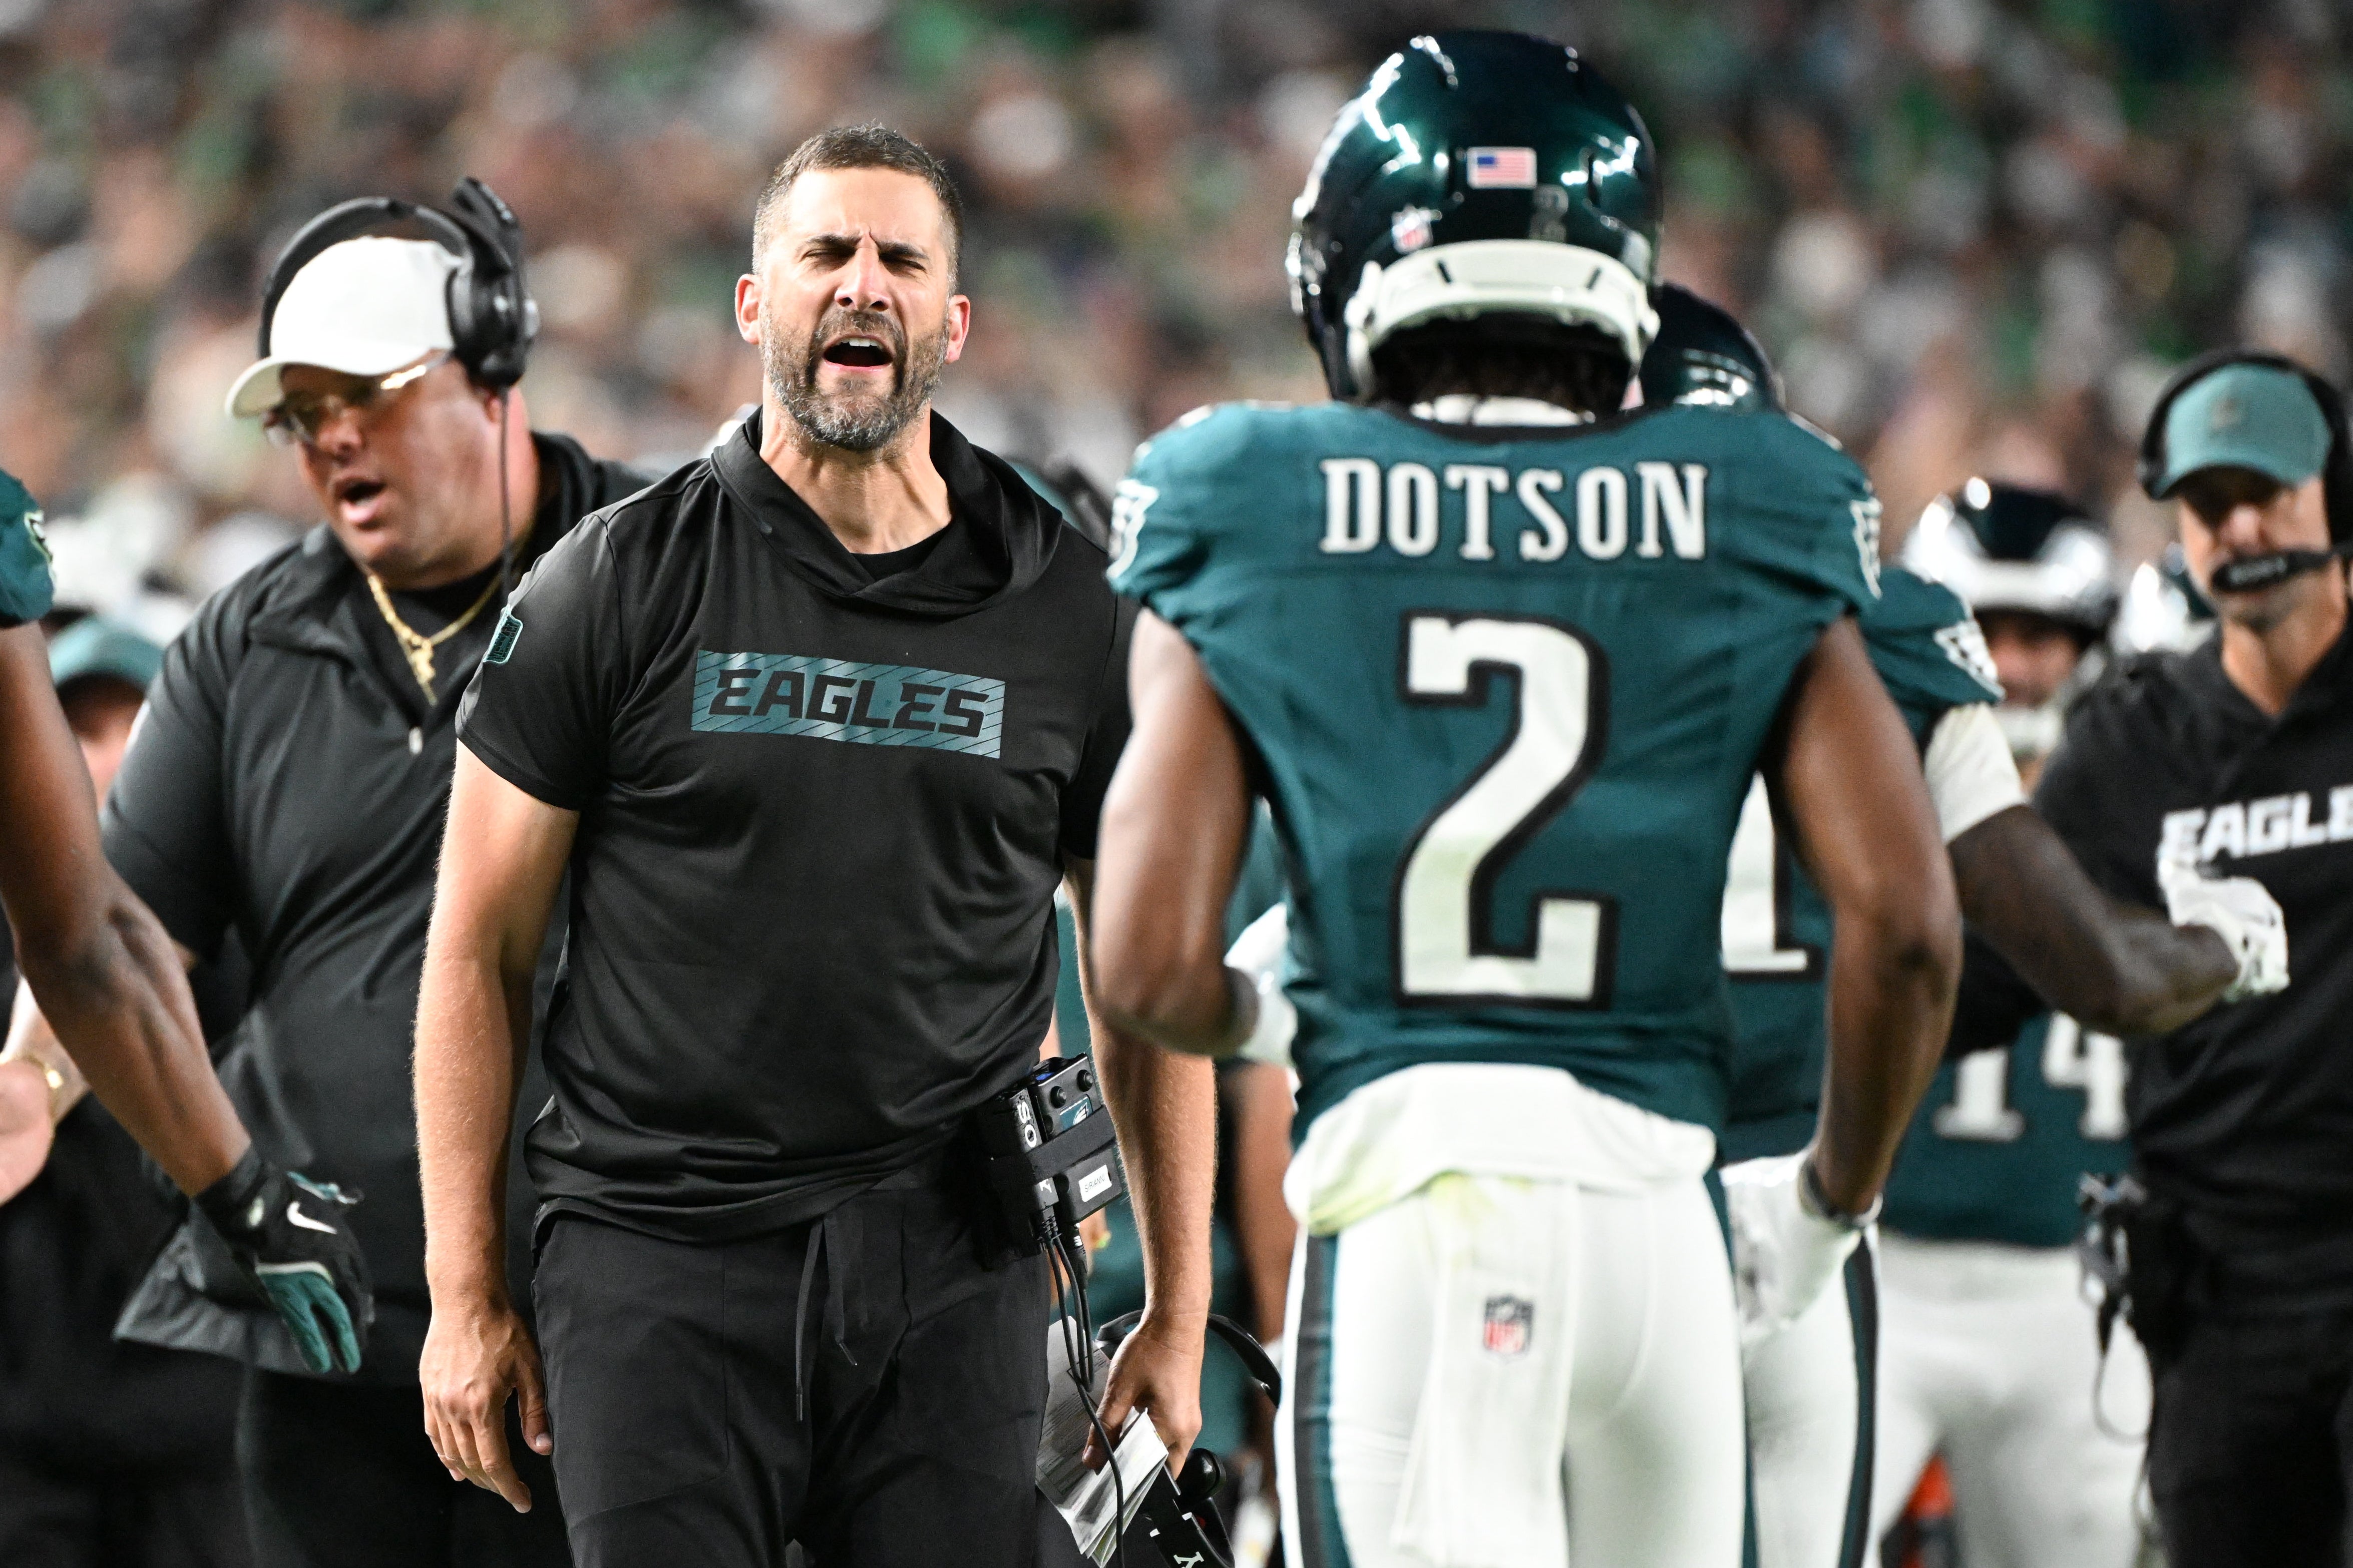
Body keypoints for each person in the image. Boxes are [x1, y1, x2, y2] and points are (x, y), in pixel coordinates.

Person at [1085, 35, 1964, 1568]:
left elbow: (1144, 963)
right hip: (1662, 1228)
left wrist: (1288, 998)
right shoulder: (1749, 494)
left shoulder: (1247, 494)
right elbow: (1905, 928)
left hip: (1415, 1213)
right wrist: (1829, 1200)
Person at [413, 125, 1209, 1568]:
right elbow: (476, 947)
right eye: (825, 251)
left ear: (951, 322)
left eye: (901, 259)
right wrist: (463, 1291)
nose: (863, 284)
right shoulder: (611, 581)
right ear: (753, 302)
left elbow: (1146, 978)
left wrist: (1179, 1305)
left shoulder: (1071, 608)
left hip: (955, 1263)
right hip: (654, 1252)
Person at [10, 178, 648, 1568]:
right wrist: (28, 1083)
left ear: (493, 365)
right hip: (329, 1332)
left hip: (614, 1333)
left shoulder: (666, 581)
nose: (331, 437)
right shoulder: (245, 642)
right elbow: (117, 938)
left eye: (367, 395)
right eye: (302, 412)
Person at [1960, 349, 2353, 1566]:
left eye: (2267, 493)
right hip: (2218, 1292)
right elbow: (1984, 973)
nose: (2239, 528)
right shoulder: (2129, 747)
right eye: (2207, 503)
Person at [1858, 483, 2166, 1567]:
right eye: (1984, 628)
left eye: (2041, 634)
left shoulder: (2146, 808)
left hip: (2068, 1289)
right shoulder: (1861, 798)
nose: (2011, 666)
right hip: (1878, 1266)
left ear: (2096, 645)